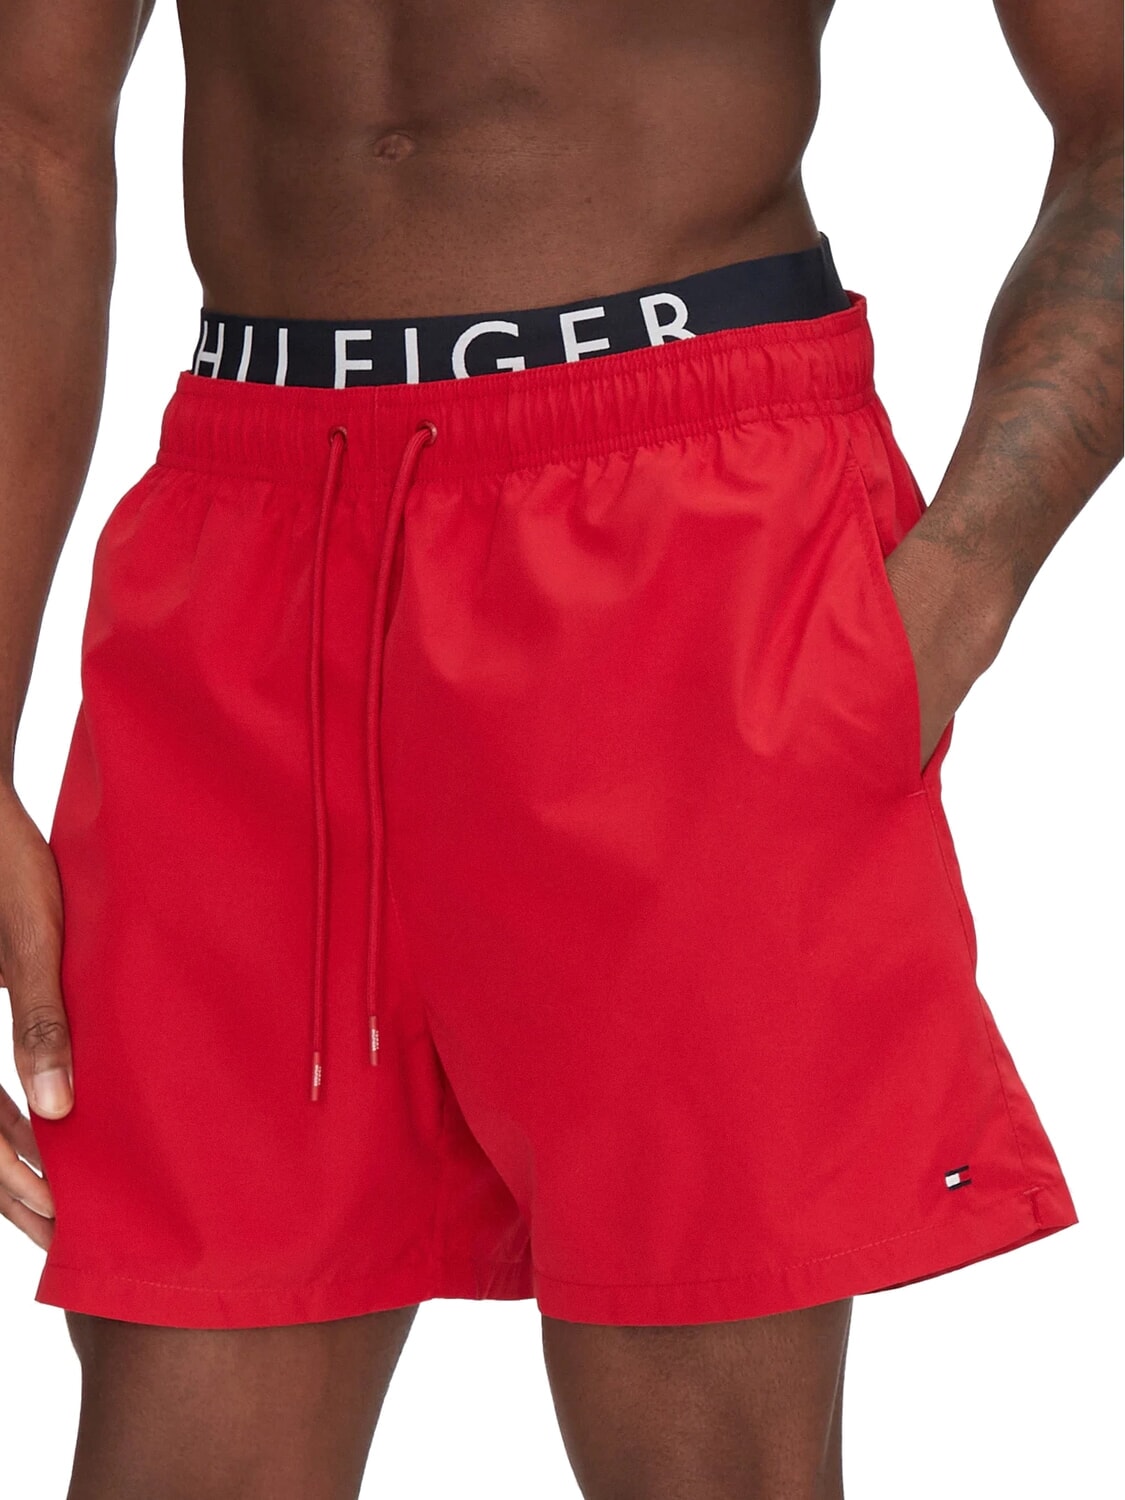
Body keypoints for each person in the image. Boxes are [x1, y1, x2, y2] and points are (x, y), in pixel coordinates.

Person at [0, 1, 1120, 1495]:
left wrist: (952, 596)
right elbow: (29, 143)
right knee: (178, 1432)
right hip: (246, 545)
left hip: (689, 533)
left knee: (704, 1454)